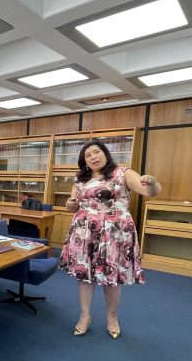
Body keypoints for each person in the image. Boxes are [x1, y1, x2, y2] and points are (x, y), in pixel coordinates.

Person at [58, 140, 162, 339]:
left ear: (105, 154)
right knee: (84, 275)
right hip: (85, 233)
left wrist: (153, 183)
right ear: (84, 161)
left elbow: (149, 192)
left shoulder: (122, 173)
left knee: (112, 276)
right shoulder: (80, 179)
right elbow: (74, 204)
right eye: (88, 155)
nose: (93, 157)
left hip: (115, 233)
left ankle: (112, 317)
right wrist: (70, 204)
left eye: (97, 152)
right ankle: (84, 315)